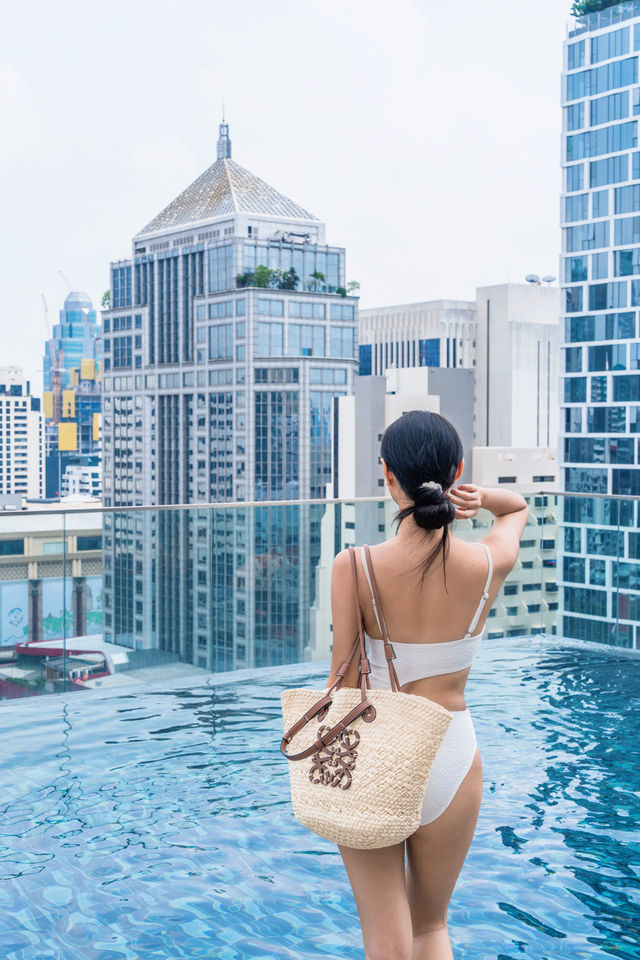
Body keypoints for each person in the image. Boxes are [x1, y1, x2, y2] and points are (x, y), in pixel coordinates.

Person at [327, 410, 528, 960]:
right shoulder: (488, 564)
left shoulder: (355, 566)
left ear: (386, 476)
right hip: (454, 755)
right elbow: (519, 509)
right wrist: (480, 497)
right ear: (456, 471)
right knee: (430, 928)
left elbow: (342, 685)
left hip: (376, 752)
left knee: (386, 939)